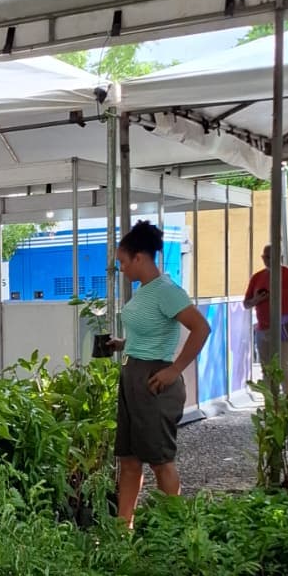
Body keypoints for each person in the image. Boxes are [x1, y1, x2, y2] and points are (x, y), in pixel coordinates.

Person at [107, 221, 211, 527]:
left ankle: (173, 529)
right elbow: (151, 332)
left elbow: (201, 328)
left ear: (140, 257)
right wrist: (123, 344)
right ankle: (123, 528)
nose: (122, 269)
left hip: (154, 379)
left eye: (123, 262)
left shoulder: (167, 290)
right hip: (133, 374)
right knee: (128, 458)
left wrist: (175, 369)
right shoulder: (145, 291)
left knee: (160, 459)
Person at [244, 245, 288, 391]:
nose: (268, 260)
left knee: (283, 367)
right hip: (262, 328)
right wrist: (256, 300)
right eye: (265, 257)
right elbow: (246, 303)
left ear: (280, 258)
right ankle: (272, 402)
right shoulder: (257, 277)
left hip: (285, 327)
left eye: (271, 257)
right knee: (267, 368)